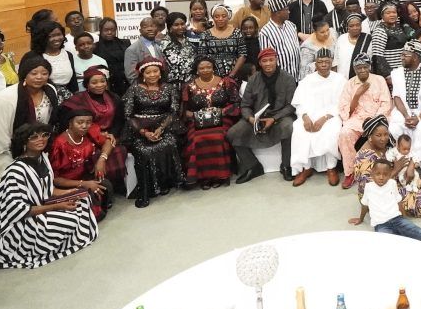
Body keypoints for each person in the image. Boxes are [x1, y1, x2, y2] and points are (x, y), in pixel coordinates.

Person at [0, 122, 99, 270]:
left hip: (42, 207)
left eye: (44, 135)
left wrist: (72, 192)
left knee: (83, 201)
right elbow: (19, 210)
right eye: (34, 137)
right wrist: (58, 206)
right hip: (19, 225)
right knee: (71, 220)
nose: (41, 139)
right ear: (24, 142)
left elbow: (47, 190)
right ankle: (34, 248)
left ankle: (56, 241)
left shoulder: (43, 158)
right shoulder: (15, 171)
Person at [349, 146, 421, 256]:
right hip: (381, 225)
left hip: (397, 219)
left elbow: (398, 201)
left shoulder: (392, 184)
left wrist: (403, 217)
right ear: (372, 174)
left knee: (419, 233)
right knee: (388, 247)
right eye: (378, 174)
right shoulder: (369, 187)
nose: (381, 177)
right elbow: (364, 205)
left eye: (385, 174)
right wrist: (360, 219)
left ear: (390, 174)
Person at [0, 54, 61, 187]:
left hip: (37, 148)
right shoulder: (6, 98)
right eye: (34, 73)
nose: (39, 77)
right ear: (24, 74)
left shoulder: (50, 91)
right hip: (7, 153)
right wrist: (17, 154)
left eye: (44, 73)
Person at [228, 46, 297, 183]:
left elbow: (291, 106)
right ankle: (252, 166)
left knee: (288, 127)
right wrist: (251, 119)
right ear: (260, 63)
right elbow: (245, 105)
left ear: (276, 60)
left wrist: (274, 118)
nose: (268, 64)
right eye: (264, 61)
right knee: (232, 133)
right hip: (257, 117)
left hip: (280, 116)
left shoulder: (288, 78)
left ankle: (286, 165)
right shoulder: (254, 79)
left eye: (271, 60)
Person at [122, 57, 180, 206]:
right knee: (144, 151)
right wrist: (144, 132)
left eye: (156, 71)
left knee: (170, 143)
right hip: (139, 128)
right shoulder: (134, 89)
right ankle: (148, 189)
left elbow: (173, 111)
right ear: (143, 74)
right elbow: (128, 114)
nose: (153, 75)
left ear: (160, 73)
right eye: (149, 72)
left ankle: (165, 183)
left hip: (164, 126)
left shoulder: (169, 88)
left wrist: (160, 129)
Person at [180, 55, 241, 188]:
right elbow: (184, 111)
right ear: (197, 70)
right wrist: (196, 115)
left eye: (208, 67)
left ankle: (221, 175)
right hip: (197, 121)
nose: (206, 70)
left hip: (222, 119)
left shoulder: (226, 82)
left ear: (213, 68)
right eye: (202, 68)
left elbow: (236, 104)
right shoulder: (189, 86)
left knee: (219, 136)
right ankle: (203, 177)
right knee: (196, 138)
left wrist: (221, 112)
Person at [67, 66, 128, 199]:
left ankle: (117, 184)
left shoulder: (114, 97)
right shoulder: (79, 100)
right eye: (94, 82)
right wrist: (99, 134)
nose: (99, 85)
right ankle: (101, 190)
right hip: (88, 136)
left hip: (111, 134)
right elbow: (75, 122)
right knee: (93, 155)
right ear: (86, 85)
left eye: (102, 81)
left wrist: (112, 134)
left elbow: (119, 120)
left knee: (119, 150)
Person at [48, 99, 114, 217]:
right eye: (80, 122)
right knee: (91, 196)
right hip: (66, 183)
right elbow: (55, 179)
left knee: (105, 184)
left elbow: (108, 142)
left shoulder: (89, 133)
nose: (84, 126)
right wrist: (84, 184)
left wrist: (102, 159)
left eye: (88, 122)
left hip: (84, 175)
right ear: (70, 123)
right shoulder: (59, 144)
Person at [336, 54, 393, 185]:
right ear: (354, 70)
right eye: (358, 68)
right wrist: (357, 94)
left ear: (369, 67)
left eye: (364, 67)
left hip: (377, 118)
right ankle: (350, 172)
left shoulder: (379, 80)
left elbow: (386, 103)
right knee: (344, 134)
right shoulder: (350, 83)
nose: (362, 70)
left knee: (381, 133)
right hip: (357, 118)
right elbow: (345, 109)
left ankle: (381, 169)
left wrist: (374, 120)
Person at [290, 50, 345, 186]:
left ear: (332, 62)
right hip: (309, 114)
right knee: (299, 129)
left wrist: (324, 118)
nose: (324, 65)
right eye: (320, 62)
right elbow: (299, 102)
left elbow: (342, 103)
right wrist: (305, 117)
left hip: (331, 115)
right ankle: (306, 168)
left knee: (332, 130)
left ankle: (331, 168)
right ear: (315, 64)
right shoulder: (307, 80)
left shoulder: (340, 79)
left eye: (327, 62)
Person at [390, 41, 421, 166]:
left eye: (405, 55)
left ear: (416, 56)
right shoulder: (397, 73)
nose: (402, 57)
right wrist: (406, 116)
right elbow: (396, 97)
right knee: (395, 128)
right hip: (403, 111)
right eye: (401, 55)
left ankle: (420, 165)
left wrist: (418, 118)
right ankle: (402, 163)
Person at [198, 3, 247, 81]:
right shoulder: (205, 34)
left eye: (224, 16)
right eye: (217, 16)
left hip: (234, 75)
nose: (220, 19)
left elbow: (243, 54)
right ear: (213, 18)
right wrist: (211, 75)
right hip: (211, 76)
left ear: (228, 17)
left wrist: (232, 74)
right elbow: (202, 57)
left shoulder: (237, 33)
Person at [368, 0, 413, 79]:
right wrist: (388, 75)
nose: (392, 15)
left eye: (394, 12)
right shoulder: (380, 31)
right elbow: (377, 57)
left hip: (402, 72)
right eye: (388, 13)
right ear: (382, 16)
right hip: (390, 75)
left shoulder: (400, 28)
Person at [29, 21, 76, 95]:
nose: (56, 38)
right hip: (42, 96)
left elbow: (73, 81)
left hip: (67, 96)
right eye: (51, 36)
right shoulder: (33, 56)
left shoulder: (68, 54)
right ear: (43, 38)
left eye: (59, 34)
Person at [159, 12, 201, 90]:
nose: (180, 27)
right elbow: (178, 64)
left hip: (192, 84)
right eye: (176, 25)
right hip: (174, 86)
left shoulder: (188, 40)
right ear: (170, 27)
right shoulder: (165, 43)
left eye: (182, 24)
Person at [92, 18, 131, 97]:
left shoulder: (125, 43)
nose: (109, 32)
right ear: (100, 30)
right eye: (106, 30)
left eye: (112, 30)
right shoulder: (95, 47)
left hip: (125, 83)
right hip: (106, 84)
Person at [123, 17, 165, 81]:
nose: (150, 29)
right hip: (143, 88)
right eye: (145, 27)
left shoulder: (161, 45)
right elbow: (131, 76)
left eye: (153, 26)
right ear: (140, 31)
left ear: (157, 29)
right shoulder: (132, 50)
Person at [298, 17, 339, 81]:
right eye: (322, 32)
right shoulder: (307, 46)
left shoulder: (333, 34)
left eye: (327, 30)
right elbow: (304, 69)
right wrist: (321, 63)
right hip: (317, 78)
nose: (326, 34)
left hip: (334, 75)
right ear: (315, 31)